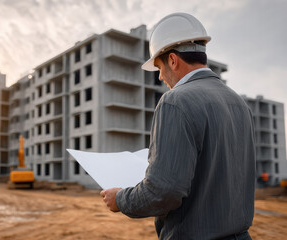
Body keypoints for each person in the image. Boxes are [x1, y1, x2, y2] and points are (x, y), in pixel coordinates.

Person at [100, 13, 256, 239]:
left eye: (159, 68)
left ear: (172, 60)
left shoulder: (175, 101)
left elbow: (163, 191)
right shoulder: (239, 104)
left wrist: (120, 199)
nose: (161, 77)